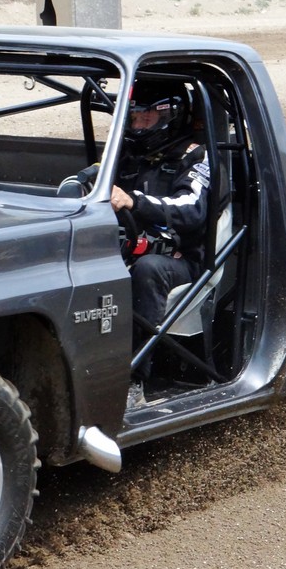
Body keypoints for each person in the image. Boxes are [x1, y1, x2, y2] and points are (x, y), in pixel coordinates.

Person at [109, 90, 211, 408]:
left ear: (170, 115)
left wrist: (135, 202)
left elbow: (192, 208)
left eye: (148, 116)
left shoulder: (195, 156)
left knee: (148, 269)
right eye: (135, 117)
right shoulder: (125, 155)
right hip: (127, 246)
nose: (140, 125)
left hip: (182, 259)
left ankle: (132, 383)